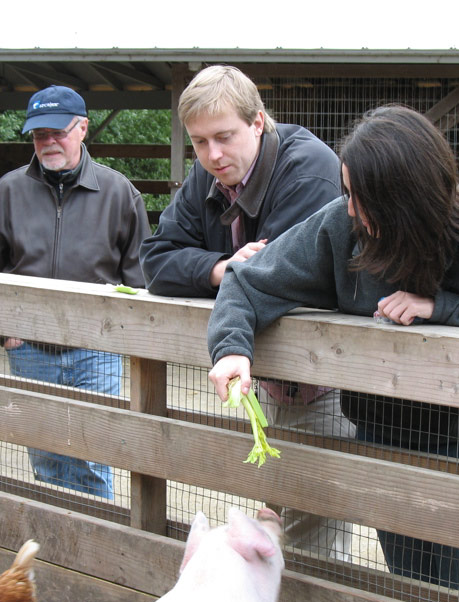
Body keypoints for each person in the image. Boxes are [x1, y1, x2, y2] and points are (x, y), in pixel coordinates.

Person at [206, 105, 459, 594]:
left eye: (364, 197)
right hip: (381, 438)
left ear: (406, 198)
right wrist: (232, 348)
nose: (352, 208)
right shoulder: (342, 227)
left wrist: (441, 308)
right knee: (414, 590)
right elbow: (246, 282)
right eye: (348, 192)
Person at [140, 65, 355, 559]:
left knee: (312, 550)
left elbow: (276, 275)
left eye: (224, 137)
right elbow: (155, 261)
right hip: (257, 381)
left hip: (323, 383)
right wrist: (221, 269)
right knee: (271, 533)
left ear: (258, 122)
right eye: (198, 143)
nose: (212, 155)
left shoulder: (309, 171)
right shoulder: (208, 174)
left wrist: (244, 276)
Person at [0, 85, 151, 500]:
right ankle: (53, 555)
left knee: (94, 456)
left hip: (96, 349)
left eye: (58, 132)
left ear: (83, 128)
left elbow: (141, 280)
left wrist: (117, 339)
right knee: (46, 455)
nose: (48, 142)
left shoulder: (119, 193)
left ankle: (96, 555)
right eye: (39, 135)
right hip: (31, 348)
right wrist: (3, 333)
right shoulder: (7, 193)